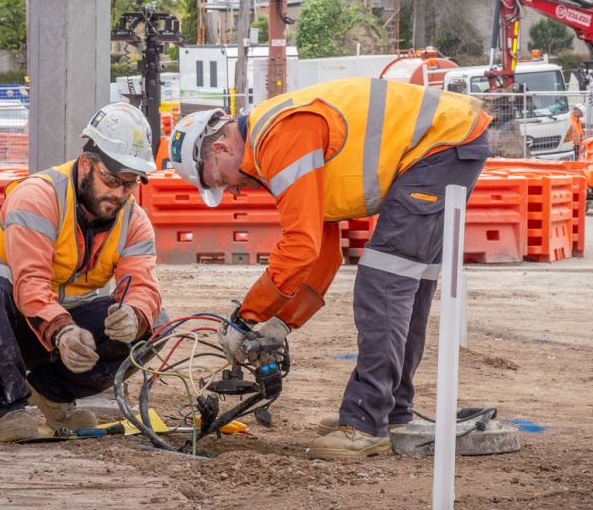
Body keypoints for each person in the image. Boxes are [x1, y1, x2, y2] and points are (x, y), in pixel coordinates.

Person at [169, 77, 491, 459]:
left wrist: (246, 317)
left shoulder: (278, 135)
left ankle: (366, 423)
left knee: (383, 282)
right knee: (403, 282)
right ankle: (391, 412)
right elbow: (323, 255)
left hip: (442, 145)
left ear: (220, 148)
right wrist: (282, 322)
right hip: (448, 144)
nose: (234, 191)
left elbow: (299, 246)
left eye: (221, 180)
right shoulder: (275, 141)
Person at [0, 102, 162, 442]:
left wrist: (135, 314)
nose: (119, 194)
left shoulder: (134, 221)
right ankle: (6, 405)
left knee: (158, 321)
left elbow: (142, 287)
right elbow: (30, 284)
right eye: (111, 180)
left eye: (130, 183)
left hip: (57, 325)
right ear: (85, 164)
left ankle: (52, 393)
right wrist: (63, 331)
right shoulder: (38, 197)